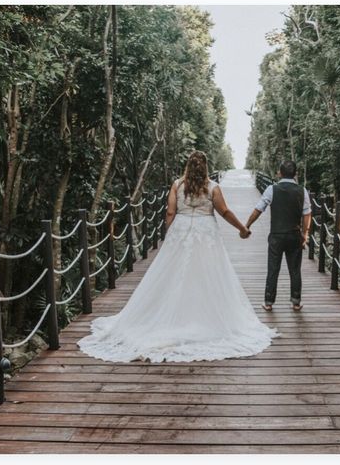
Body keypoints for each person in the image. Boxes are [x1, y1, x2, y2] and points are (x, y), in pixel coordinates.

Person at [78, 151, 277, 363]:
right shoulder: (212, 188)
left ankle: (170, 317)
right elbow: (224, 211)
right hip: (205, 232)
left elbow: (170, 212)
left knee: (173, 273)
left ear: (188, 166)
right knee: (208, 272)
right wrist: (242, 229)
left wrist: (169, 233)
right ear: (206, 167)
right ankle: (205, 317)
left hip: (181, 230)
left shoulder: (177, 185)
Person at [245, 161, 312, 311]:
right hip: (294, 234)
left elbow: (259, 209)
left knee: (273, 268)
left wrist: (247, 225)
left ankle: (268, 302)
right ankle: (296, 302)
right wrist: (305, 233)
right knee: (295, 269)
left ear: (279, 173)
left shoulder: (272, 189)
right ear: (295, 174)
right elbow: (307, 214)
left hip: (276, 235)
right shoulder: (302, 191)